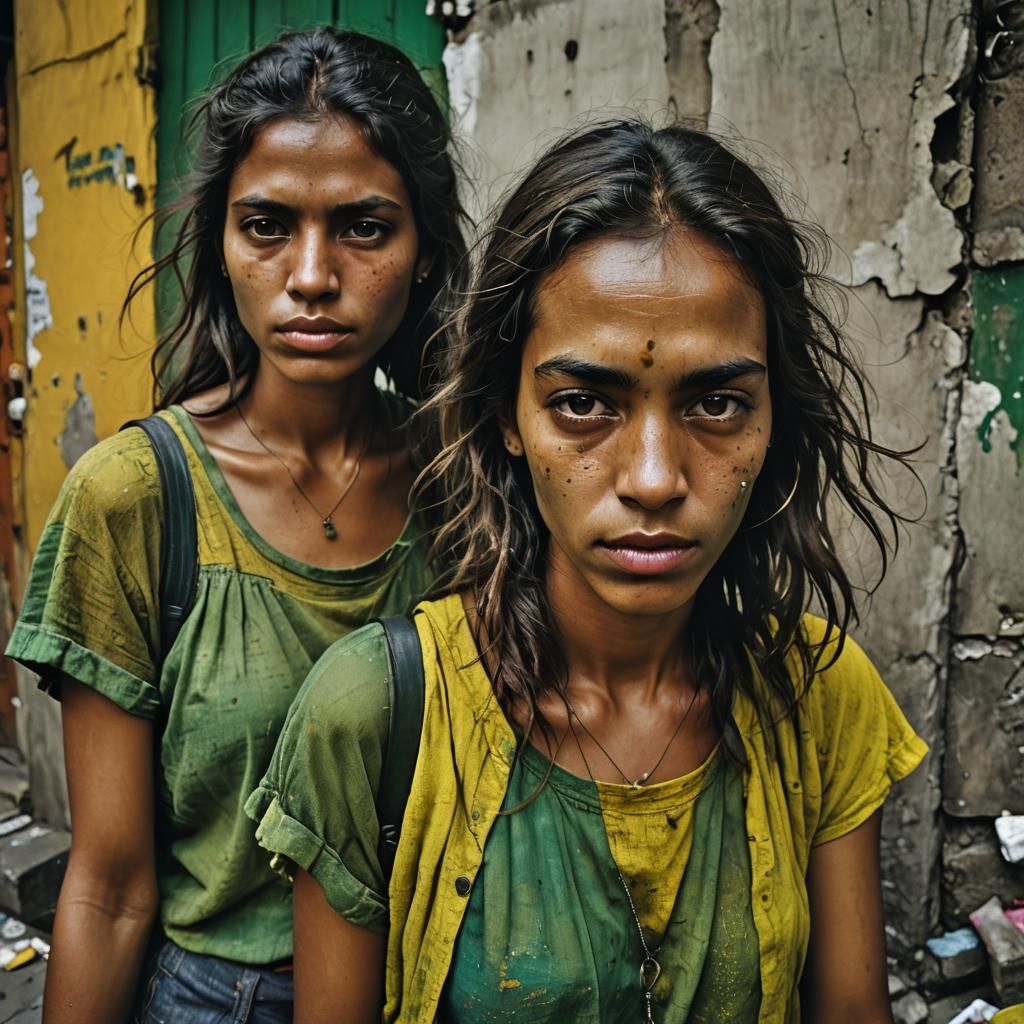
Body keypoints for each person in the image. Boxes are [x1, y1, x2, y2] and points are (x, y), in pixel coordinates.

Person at [249, 120, 927, 1023]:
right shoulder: (374, 713)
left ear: (775, 418)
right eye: (582, 405)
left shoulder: (818, 692)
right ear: (506, 415)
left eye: (718, 402)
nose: (653, 478)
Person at [6, 26, 467, 1024]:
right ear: (220, 244)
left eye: (362, 227)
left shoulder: (467, 482)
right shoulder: (135, 497)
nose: (310, 274)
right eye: (266, 226)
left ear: (424, 249)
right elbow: (111, 884)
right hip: (220, 998)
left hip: (442, 985)